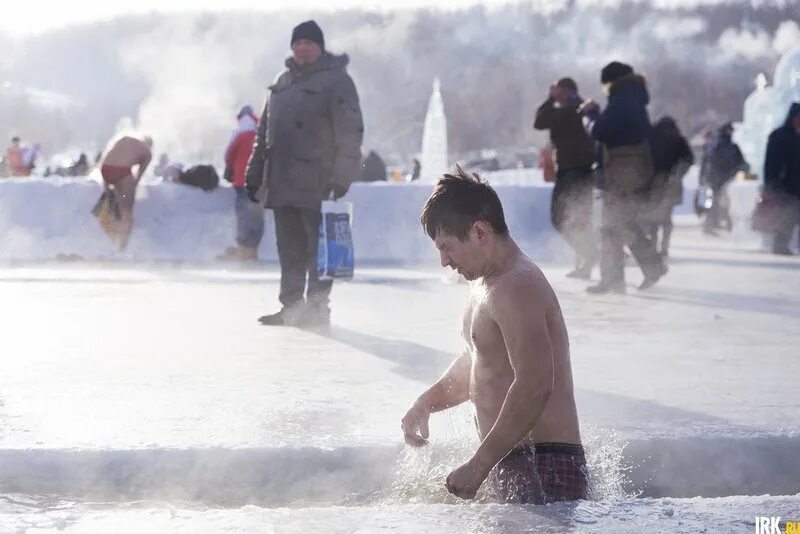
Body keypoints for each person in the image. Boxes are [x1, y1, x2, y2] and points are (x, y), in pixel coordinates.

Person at [401, 166, 587, 505]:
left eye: (447, 247)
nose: (443, 261)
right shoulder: (487, 283)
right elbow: (479, 362)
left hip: (543, 464)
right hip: (515, 459)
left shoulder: (518, 285)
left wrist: (478, 466)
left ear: (479, 232)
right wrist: (425, 404)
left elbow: (535, 384)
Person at [246, 20, 364, 327]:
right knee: (289, 249)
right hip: (282, 181)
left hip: (318, 179)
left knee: (318, 250)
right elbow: (263, 133)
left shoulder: (337, 81)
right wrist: (254, 171)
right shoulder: (281, 81)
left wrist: (341, 177)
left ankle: (316, 307)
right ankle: (291, 306)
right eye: (297, 42)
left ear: (319, 47)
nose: (301, 48)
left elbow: (350, 132)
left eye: (308, 43)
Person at [581, 61, 666, 294]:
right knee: (617, 224)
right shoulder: (633, 97)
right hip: (629, 172)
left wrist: (590, 115)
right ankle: (618, 276)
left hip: (621, 173)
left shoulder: (622, 100)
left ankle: (642, 269)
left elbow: (601, 131)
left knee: (616, 223)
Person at [534, 77, 598, 279]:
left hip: (574, 171)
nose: (554, 93)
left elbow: (539, 121)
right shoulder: (577, 107)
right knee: (578, 219)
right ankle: (587, 262)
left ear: (565, 91)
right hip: (577, 170)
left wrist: (549, 99)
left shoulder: (571, 109)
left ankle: (590, 255)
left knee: (561, 217)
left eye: (557, 90)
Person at [642, 117, 695, 257]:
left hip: (653, 184)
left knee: (652, 218)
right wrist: (677, 174)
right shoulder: (678, 139)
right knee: (666, 218)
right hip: (671, 184)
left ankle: (653, 246)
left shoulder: (651, 138)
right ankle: (664, 246)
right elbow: (689, 159)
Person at [219, 105, 264, 261]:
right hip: (260, 183)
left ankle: (243, 249)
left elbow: (229, 156)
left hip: (242, 181)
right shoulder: (262, 133)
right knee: (257, 215)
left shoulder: (240, 134)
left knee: (244, 214)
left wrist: (231, 168)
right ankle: (253, 250)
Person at [98, 135, 153, 251]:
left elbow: (108, 158)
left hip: (106, 169)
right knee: (127, 210)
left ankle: (113, 227)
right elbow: (137, 177)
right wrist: (129, 193)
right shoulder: (148, 153)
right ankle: (123, 245)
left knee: (118, 194)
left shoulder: (126, 139)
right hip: (120, 171)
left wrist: (107, 188)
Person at [764, 102, 800, 255]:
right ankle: (780, 246)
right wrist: (771, 184)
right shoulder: (780, 136)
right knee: (786, 217)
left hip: (796, 184)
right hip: (785, 185)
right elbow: (771, 163)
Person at [699, 123, 748, 235]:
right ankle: (715, 225)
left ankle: (712, 225)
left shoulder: (713, 144)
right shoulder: (728, 145)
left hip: (714, 178)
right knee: (718, 202)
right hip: (722, 179)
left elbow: (706, 162)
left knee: (714, 202)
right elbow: (740, 163)